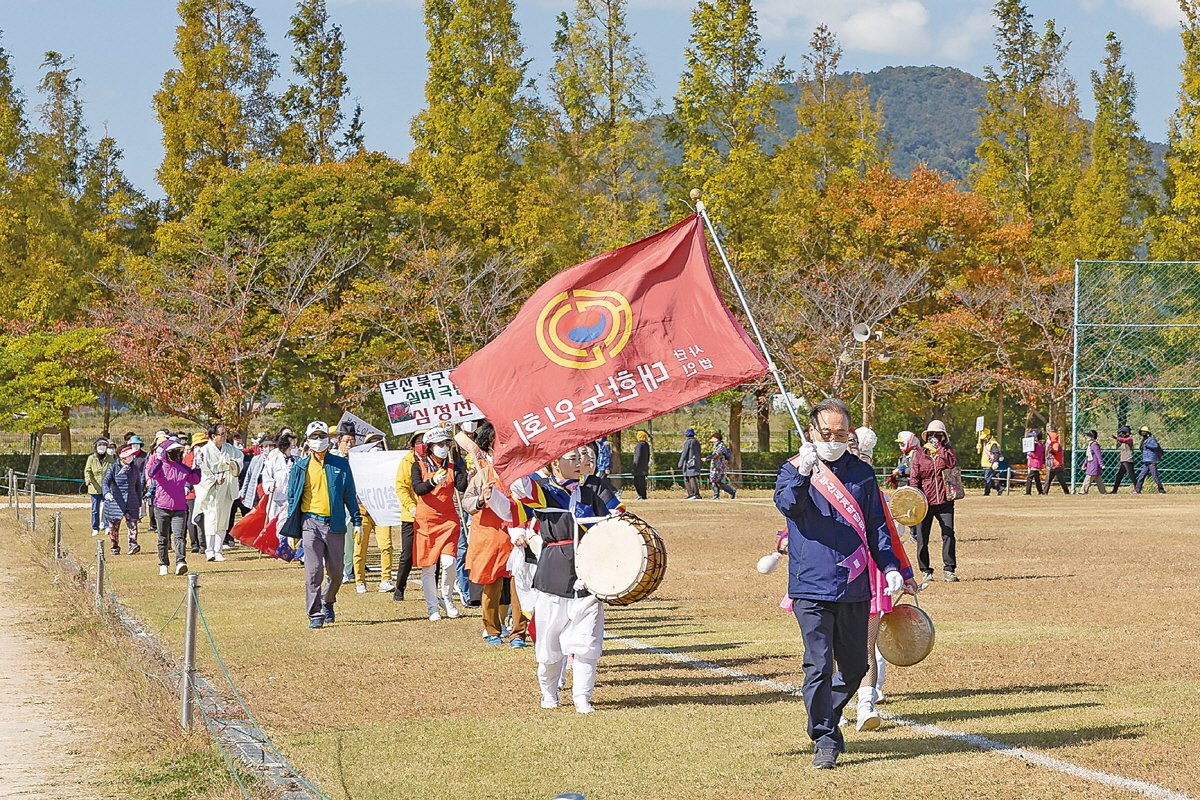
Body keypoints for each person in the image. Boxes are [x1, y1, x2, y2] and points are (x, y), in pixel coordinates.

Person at [773, 399, 904, 768]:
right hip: (810, 584)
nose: (832, 439)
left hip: (854, 583)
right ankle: (825, 740)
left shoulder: (862, 474)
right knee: (818, 665)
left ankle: (822, 717)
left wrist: (890, 566)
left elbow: (877, 525)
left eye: (840, 434)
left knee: (855, 667)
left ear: (849, 434)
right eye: (825, 433)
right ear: (811, 432)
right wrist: (803, 472)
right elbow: (788, 506)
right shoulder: (792, 469)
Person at [511, 446, 624, 714]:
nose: (579, 462)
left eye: (580, 457)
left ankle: (582, 697)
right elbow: (518, 484)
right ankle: (548, 692)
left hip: (589, 571)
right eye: (571, 458)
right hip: (554, 570)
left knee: (588, 641)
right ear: (554, 463)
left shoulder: (594, 489)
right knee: (549, 642)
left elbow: (618, 519)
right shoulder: (544, 490)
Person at [848, 426, 918, 731]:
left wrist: (904, 572)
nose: (846, 448)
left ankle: (866, 705)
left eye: (850, 443)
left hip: (871, 574)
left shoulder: (868, 483)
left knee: (866, 644)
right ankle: (835, 703)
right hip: (831, 576)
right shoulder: (817, 480)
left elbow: (888, 532)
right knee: (835, 648)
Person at [281, 421, 363, 629]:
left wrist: (357, 521)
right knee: (313, 570)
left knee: (336, 573)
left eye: (322, 436)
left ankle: (328, 600)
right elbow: (293, 497)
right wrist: (292, 527)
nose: (319, 441)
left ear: (329, 439)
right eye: (314, 437)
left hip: (334, 524)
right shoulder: (300, 467)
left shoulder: (340, 464)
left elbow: (349, 494)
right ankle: (315, 614)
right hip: (310, 522)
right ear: (307, 441)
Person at [461, 422, 528, 647]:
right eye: (496, 445)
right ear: (489, 449)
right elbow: (467, 502)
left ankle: (518, 634)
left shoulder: (523, 473)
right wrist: (481, 498)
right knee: (491, 585)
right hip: (489, 536)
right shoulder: (482, 475)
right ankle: (492, 631)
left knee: (519, 584)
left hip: (516, 535)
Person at [412, 428, 468, 621]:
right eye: (440, 444)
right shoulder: (418, 465)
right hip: (426, 521)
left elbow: (461, 486)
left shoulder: (454, 464)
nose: (444, 447)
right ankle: (432, 607)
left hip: (448, 520)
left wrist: (466, 471)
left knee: (449, 562)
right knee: (428, 567)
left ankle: (447, 597)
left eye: (446, 444)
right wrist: (433, 481)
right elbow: (418, 488)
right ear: (429, 447)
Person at [909, 420, 959, 583]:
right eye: (931, 435)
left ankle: (949, 569)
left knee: (948, 534)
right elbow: (914, 478)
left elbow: (952, 465)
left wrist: (940, 450)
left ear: (943, 437)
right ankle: (925, 570)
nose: (934, 438)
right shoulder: (919, 454)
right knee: (922, 537)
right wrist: (916, 499)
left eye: (938, 435)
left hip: (945, 500)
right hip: (925, 502)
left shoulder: (947, 452)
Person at [147, 438, 201, 576]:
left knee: (179, 536)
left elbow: (194, 479)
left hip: (179, 508)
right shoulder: (161, 466)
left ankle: (181, 562)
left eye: (178, 451)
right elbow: (151, 474)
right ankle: (163, 563)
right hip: (161, 507)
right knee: (163, 537)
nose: (177, 454)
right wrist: (158, 460)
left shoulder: (181, 467)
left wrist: (198, 467)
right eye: (173, 451)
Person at [352, 432, 396, 594]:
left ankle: (386, 579)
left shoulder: (389, 467)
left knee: (386, 546)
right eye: (372, 444)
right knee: (360, 548)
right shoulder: (358, 467)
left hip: (382, 511)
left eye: (379, 444)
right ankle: (360, 581)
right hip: (363, 512)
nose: (376, 447)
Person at [192, 422, 242, 562]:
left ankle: (219, 550)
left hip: (226, 486)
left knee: (223, 519)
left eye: (225, 434)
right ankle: (210, 550)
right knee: (211, 519)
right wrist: (214, 479)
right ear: (213, 436)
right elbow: (201, 470)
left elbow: (239, 458)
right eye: (221, 434)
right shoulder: (204, 451)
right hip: (212, 489)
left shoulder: (229, 448)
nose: (224, 437)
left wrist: (234, 466)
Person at [392, 431, 424, 602]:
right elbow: (401, 487)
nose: (423, 444)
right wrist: (411, 507)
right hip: (410, 516)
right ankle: (399, 587)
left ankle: (433, 589)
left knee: (434, 555)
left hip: (431, 516)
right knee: (407, 554)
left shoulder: (435, 462)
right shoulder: (407, 462)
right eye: (418, 441)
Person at [102, 444, 146, 556]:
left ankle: (133, 545)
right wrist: (106, 492)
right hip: (115, 502)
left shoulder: (134, 468)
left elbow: (138, 485)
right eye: (128, 456)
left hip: (131, 501)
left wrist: (139, 500)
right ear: (121, 457)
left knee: (133, 524)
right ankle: (115, 547)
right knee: (113, 527)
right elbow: (106, 482)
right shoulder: (113, 468)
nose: (131, 458)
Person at [84, 437, 115, 537]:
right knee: (95, 509)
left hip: (107, 488)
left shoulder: (110, 458)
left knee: (107, 508)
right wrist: (88, 479)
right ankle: (95, 528)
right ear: (95, 447)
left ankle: (107, 526)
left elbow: (114, 471)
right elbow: (87, 471)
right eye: (99, 445)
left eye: (104, 445)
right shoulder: (91, 458)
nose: (102, 447)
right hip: (94, 488)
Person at [184, 433, 207, 553]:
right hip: (192, 492)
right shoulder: (189, 457)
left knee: (201, 517)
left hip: (205, 490)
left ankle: (200, 543)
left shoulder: (206, 455)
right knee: (195, 517)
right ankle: (196, 543)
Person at [703, 431, 737, 500]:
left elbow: (716, 455)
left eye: (713, 441)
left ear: (717, 439)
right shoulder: (718, 446)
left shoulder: (721, 446)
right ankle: (730, 492)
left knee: (716, 481)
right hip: (716, 467)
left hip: (719, 468)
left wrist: (707, 458)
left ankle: (717, 495)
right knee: (717, 481)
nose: (712, 443)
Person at [1134, 426, 1166, 494]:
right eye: (1142, 432)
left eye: (1144, 432)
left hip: (1152, 461)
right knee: (1141, 476)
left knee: (1155, 476)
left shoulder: (1151, 440)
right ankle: (1137, 490)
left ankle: (1161, 490)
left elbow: (1155, 446)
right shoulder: (1143, 441)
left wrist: (1147, 445)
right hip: (1146, 462)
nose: (1143, 433)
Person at [1079, 430, 1107, 495]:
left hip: (1094, 464)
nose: (1087, 437)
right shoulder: (1090, 444)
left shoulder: (1094, 444)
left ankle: (1083, 491)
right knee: (1098, 479)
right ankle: (1103, 492)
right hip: (1090, 463)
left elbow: (1098, 455)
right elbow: (1088, 456)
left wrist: (1101, 464)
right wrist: (1084, 464)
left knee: (1089, 477)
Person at [1110, 425, 1136, 493]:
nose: (1123, 434)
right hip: (1123, 460)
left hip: (1128, 460)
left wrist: (1116, 438)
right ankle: (1114, 490)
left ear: (1128, 433)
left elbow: (1125, 440)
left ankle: (1137, 489)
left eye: (1124, 432)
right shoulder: (1122, 442)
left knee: (1131, 475)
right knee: (1119, 476)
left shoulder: (1129, 439)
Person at [678, 428, 702, 500]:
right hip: (696, 462)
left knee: (688, 478)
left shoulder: (688, 442)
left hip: (688, 463)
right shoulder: (697, 442)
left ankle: (692, 494)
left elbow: (684, 453)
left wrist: (680, 463)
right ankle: (696, 494)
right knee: (692, 477)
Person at [978, 429, 1003, 496]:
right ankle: (999, 488)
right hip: (985, 464)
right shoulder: (986, 443)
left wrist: (996, 462)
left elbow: (996, 453)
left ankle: (987, 492)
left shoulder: (992, 443)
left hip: (990, 464)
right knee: (987, 479)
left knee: (987, 479)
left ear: (988, 435)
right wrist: (979, 448)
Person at [1024, 430, 1046, 496]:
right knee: (1037, 478)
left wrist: (1030, 454)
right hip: (1031, 463)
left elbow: (1037, 455)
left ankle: (1028, 492)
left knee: (1029, 477)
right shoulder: (1033, 445)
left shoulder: (1038, 445)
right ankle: (1040, 491)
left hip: (1035, 464)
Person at [631, 430, 650, 500]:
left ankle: (641, 495)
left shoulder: (640, 445)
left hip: (638, 467)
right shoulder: (646, 444)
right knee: (642, 481)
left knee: (638, 482)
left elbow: (637, 456)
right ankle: (643, 495)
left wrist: (635, 465)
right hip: (644, 466)